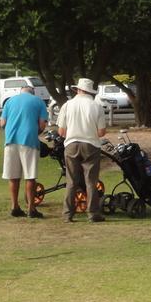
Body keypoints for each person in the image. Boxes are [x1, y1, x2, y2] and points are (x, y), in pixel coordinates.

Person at [57, 78, 107, 223]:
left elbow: (61, 131)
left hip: (72, 143)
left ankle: (68, 214)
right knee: (91, 181)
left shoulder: (67, 105)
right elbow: (102, 132)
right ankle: (92, 213)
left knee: (71, 181)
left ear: (77, 90)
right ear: (90, 91)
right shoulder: (96, 106)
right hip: (91, 144)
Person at [0, 85, 49, 218]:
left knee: (13, 176)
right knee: (30, 176)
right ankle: (31, 208)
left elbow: (2, 123)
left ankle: (14, 206)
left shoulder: (10, 101)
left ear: (20, 92)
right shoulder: (38, 102)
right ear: (33, 93)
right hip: (29, 141)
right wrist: (35, 132)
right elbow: (42, 124)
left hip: (10, 141)